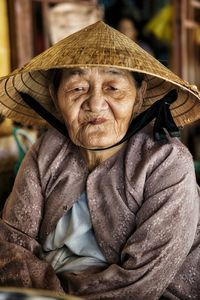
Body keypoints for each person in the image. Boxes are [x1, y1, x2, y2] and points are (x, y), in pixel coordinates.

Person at [0, 21, 200, 300]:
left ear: (139, 98)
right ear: (56, 100)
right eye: (78, 88)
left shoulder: (167, 162)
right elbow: (12, 244)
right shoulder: (46, 151)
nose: (95, 103)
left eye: (113, 87)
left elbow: (142, 281)